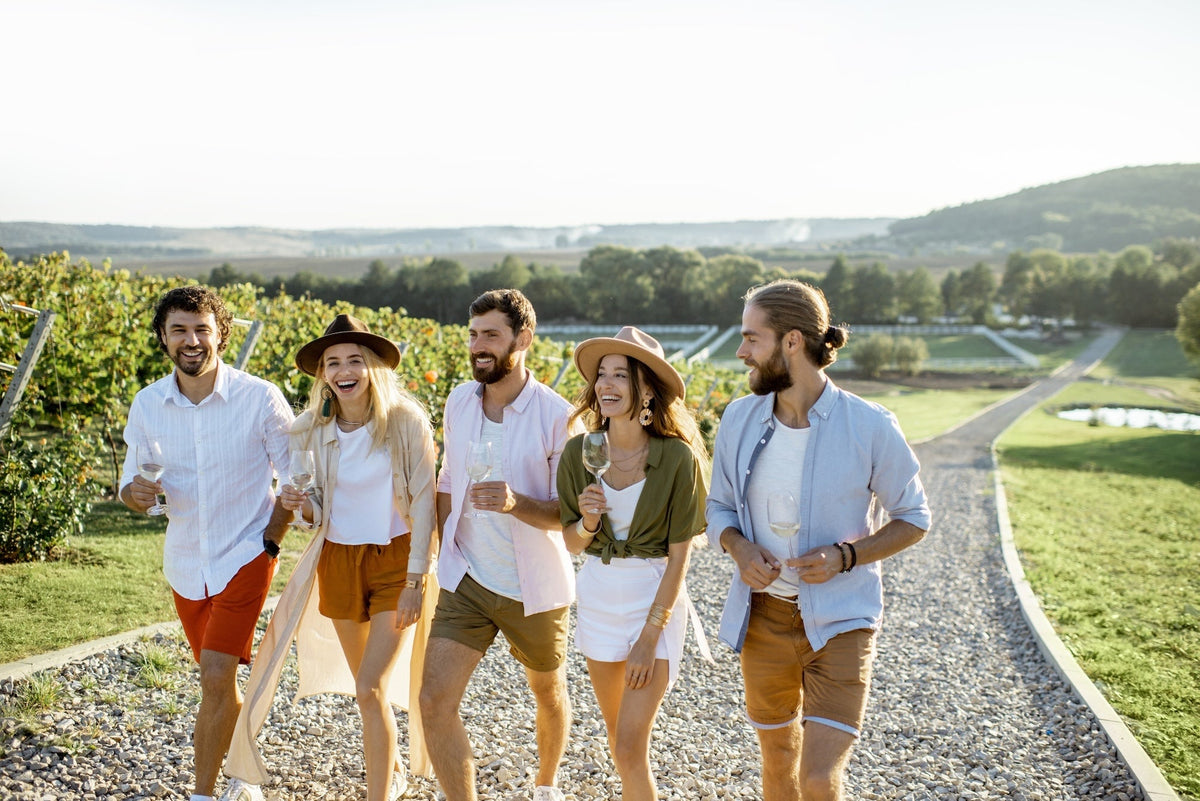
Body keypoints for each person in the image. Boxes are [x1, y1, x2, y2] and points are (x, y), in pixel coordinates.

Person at [707, 279, 932, 801]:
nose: (740, 352)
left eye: (750, 339)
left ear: (791, 341)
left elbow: (914, 517)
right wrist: (740, 550)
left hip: (841, 623)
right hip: (762, 618)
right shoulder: (739, 419)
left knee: (817, 778)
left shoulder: (870, 425)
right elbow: (718, 507)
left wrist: (845, 556)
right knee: (778, 766)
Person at [226, 314, 438, 801]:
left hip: (396, 562)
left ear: (373, 368)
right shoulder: (308, 430)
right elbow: (314, 506)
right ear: (323, 374)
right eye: (333, 363)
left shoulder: (406, 422)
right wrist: (301, 509)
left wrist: (415, 581)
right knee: (372, 694)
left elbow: (425, 504)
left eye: (355, 361)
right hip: (339, 561)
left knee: (368, 687)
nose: (344, 371)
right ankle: (394, 770)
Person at [119, 286, 294, 801]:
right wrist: (137, 493)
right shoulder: (148, 404)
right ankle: (245, 773)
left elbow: (295, 478)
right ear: (163, 337)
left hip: (246, 553)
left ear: (222, 334)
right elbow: (131, 488)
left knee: (214, 676)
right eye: (179, 329)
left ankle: (202, 793)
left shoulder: (260, 397)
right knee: (220, 682)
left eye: (202, 329)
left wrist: (270, 541)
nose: (191, 340)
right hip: (184, 564)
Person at [419, 289, 575, 801]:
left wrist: (515, 504)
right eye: (473, 334)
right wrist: (444, 550)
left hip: (533, 586)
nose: (478, 346)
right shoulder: (459, 399)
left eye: (491, 335)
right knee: (434, 701)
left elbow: (568, 515)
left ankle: (547, 784)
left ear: (522, 339)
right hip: (467, 578)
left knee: (547, 691)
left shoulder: (557, 417)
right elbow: (447, 481)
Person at [557, 326, 711, 801]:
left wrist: (650, 636)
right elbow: (573, 544)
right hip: (600, 599)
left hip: (655, 603)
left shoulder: (677, 459)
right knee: (619, 741)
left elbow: (680, 557)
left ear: (645, 389)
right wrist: (585, 521)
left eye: (619, 375)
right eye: (602, 374)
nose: (605, 384)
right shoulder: (579, 452)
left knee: (628, 745)